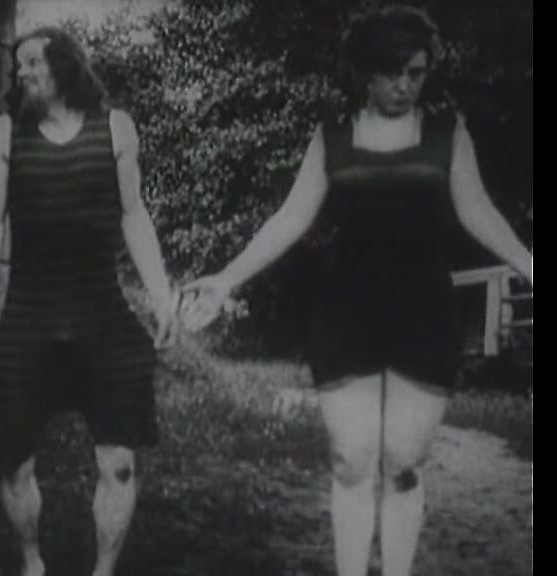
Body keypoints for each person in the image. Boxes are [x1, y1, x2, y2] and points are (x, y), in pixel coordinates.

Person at [181, 5, 532, 576]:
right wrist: (227, 278)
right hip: (347, 312)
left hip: (424, 313)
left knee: (403, 463)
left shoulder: (447, 132)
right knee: (350, 460)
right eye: (392, 72)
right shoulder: (333, 135)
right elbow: (290, 218)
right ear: (365, 72)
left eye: (416, 72)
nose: (405, 85)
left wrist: (530, 264)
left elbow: (479, 212)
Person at [0, 26, 177, 576]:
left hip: (103, 316)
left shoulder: (115, 129)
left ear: (65, 65)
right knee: (13, 463)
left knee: (118, 464)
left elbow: (134, 216)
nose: (22, 73)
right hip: (29, 317)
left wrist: (162, 297)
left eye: (33, 62)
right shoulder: (6, 134)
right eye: (19, 65)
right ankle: (32, 563)